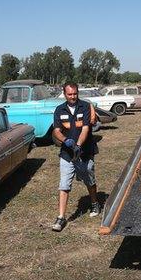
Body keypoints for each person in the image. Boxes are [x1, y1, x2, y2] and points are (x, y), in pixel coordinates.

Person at [51, 82, 100, 232]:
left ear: (78, 93)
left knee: (89, 180)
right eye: (69, 94)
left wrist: (78, 145)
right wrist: (66, 141)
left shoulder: (85, 106)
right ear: (64, 94)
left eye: (75, 94)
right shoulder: (59, 110)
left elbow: (85, 128)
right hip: (67, 154)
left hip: (85, 152)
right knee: (64, 184)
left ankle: (94, 203)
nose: (72, 97)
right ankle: (61, 217)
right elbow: (57, 130)